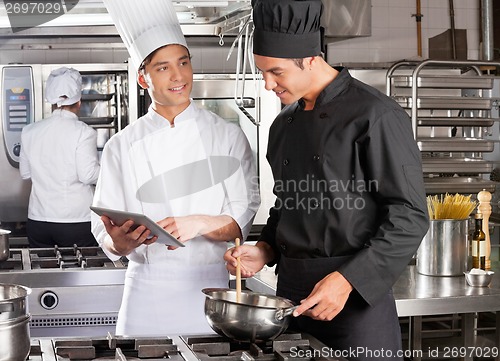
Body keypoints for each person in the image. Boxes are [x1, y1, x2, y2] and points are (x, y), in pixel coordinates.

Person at [224, 0, 429, 359]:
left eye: (276, 72)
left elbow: (410, 216)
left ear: (310, 59)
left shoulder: (376, 115)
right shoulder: (282, 125)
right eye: (262, 73)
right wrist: (263, 250)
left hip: (354, 302)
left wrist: (347, 281)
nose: (268, 84)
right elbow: (289, 207)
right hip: (290, 304)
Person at [92, 0, 260, 336]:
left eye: (183, 62)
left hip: (211, 294)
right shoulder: (120, 147)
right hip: (145, 293)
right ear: (143, 78)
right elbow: (106, 238)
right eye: (163, 68)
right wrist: (121, 244)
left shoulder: (227, 135)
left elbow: (240, 221)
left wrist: (197, 223)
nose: (179, 76)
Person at [19, 67, 100, 248]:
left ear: (52, 103)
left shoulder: (29, 131)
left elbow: (25, 174)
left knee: (44, 274)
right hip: (76, 221)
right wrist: (111, 170)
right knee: (80, 274)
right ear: (78, 102)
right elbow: (88, 175)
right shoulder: (84, 132)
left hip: (38, 220)